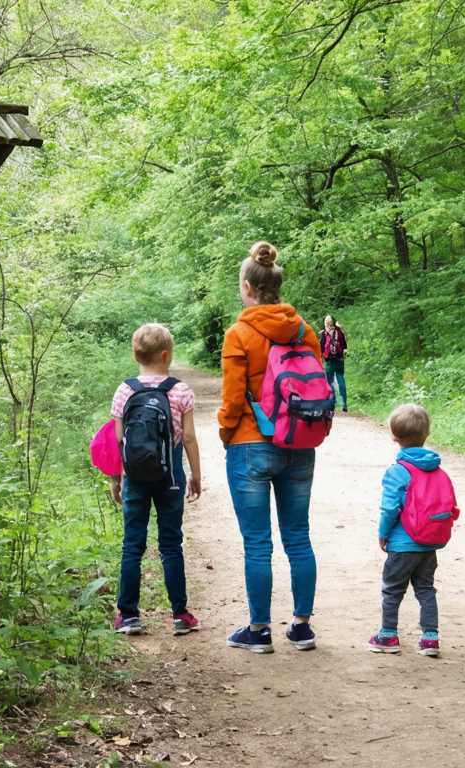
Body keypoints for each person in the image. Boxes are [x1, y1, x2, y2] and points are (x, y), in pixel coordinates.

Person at [218, 241, 323, 653]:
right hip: (299, 442)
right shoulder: (304, 330)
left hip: (251, 444)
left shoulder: (239, 332)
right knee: (298, 536)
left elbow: (231, 398)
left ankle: (259, 630)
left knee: (258, 541)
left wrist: (229, 434)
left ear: (247, 286)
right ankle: (301, 628)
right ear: (277, 285)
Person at [109, 323, 203, 636]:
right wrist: (195, 476)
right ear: (167, 355)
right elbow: (188, 437)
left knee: (132, 545)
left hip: (134, 478)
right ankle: (180, 614)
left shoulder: (125, 390)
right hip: (171, 477)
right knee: (171, 544)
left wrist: (115, 480)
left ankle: (128, 615)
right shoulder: (180, 391)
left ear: (135, 354)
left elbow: (118, 441)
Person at [369, 404, 459, 657]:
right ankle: (430, 638)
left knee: (392, 590)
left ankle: (388, 635)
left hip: (402, 544)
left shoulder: (398, 471)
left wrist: (383, 534)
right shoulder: (438, 470)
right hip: (429, 544)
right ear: (427, 433)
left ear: (394, 437)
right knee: (426, 589)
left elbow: (390, 509)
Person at [322, 315, 348, 412]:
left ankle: (331, 402)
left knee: (329, 382)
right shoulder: (340, 331)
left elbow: (322, 348)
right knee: (341, 380)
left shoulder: (324, 333)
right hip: (339, 359)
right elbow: (344, 344)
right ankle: (344, 404)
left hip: (329, 360)